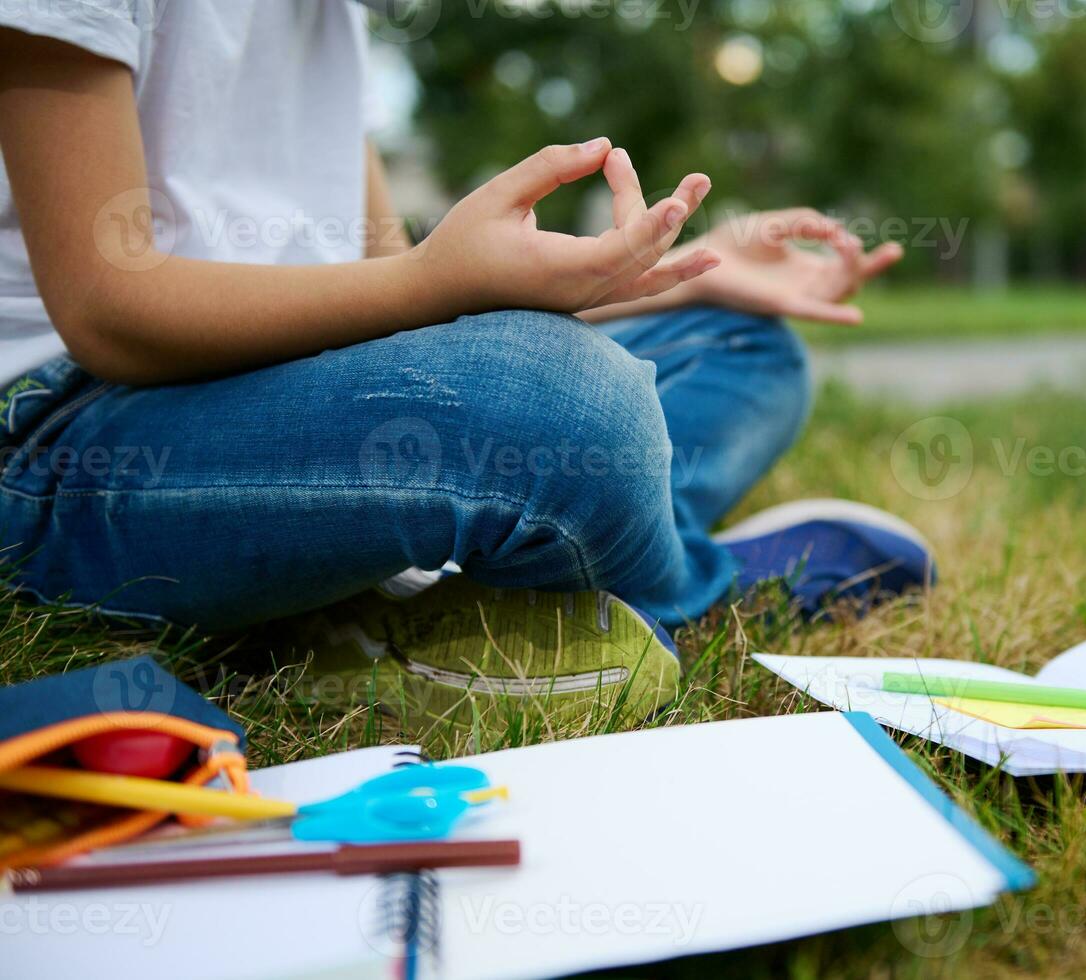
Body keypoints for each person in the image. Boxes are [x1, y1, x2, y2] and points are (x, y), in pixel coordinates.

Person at [0, 2, 933, 725]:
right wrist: (432, 282)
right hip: (72, 437)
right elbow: (107, 311)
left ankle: (441, 593)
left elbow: (385, 296)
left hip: (283, 380)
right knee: (567, 403)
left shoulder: (335, 19)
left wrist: (678, 276)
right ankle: (687, 593)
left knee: (742, 346)